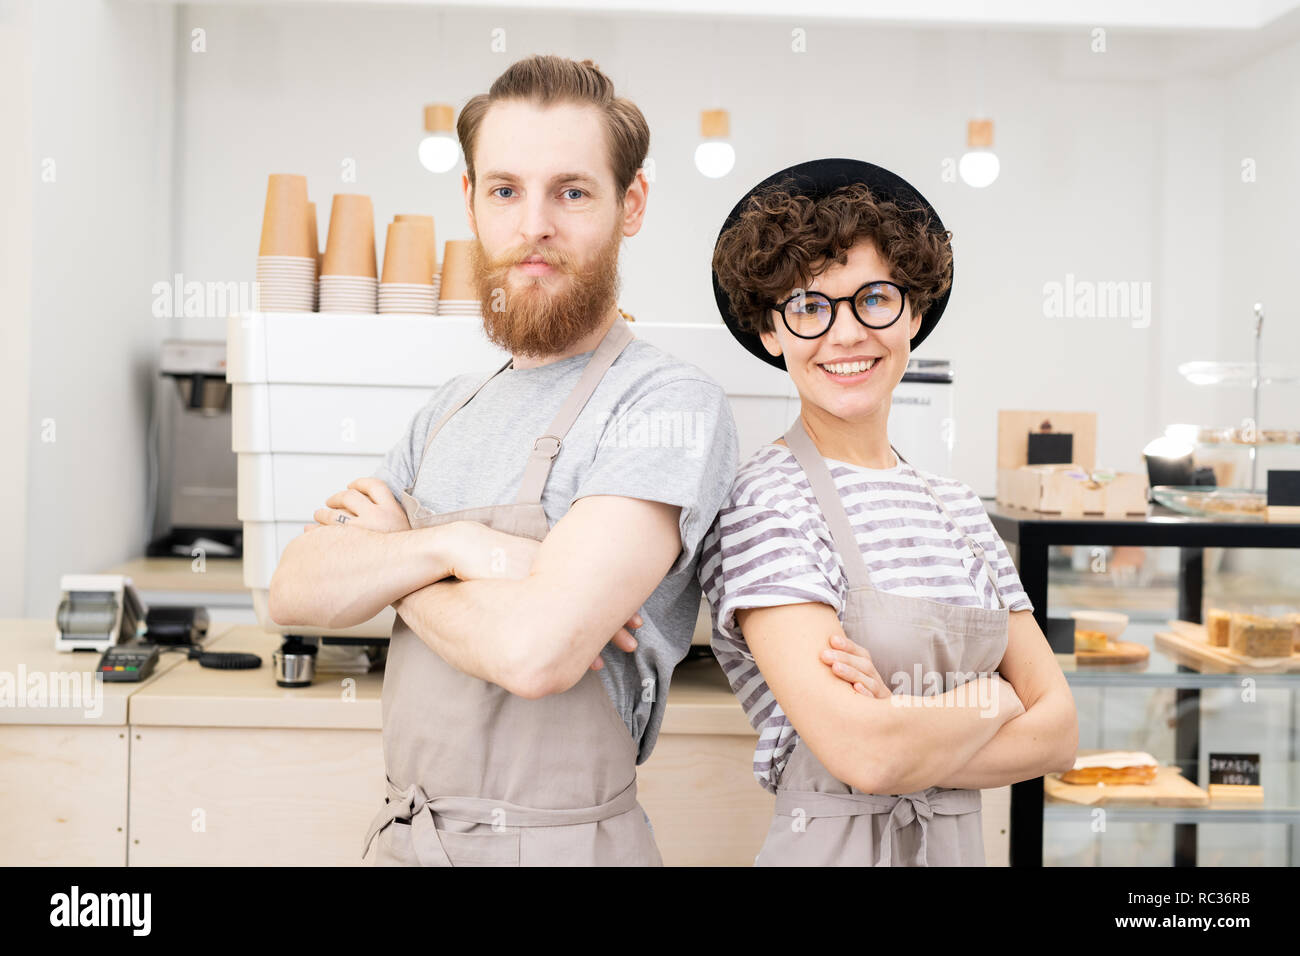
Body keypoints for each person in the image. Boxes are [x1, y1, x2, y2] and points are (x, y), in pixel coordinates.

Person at [269, 54, 738, 866]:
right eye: (506, 190)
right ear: (471, 203)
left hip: (563, 847)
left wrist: (394, 565)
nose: (534, 227)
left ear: (631, 205)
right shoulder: (449, 408)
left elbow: (537, 653)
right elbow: (296, 588)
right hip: (406, 841)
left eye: (573, 191)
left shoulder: (665, 407)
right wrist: (457, 551)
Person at [699, 158, 1077, 866]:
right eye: (810, 308)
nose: (845, 335)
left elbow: (1059, 733)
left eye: (873, 299)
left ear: (915, 312)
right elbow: (864, 755)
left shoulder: (960, 509)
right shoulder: (764, 502)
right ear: (771, 333)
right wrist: (993, 699)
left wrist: (907, 728)